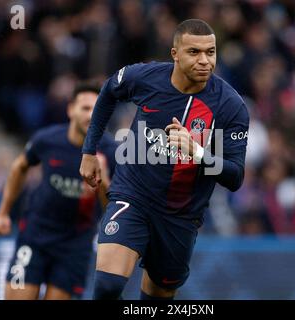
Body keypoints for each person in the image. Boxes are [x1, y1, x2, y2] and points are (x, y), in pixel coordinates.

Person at [80, 19, 249, 300]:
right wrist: (88, 151)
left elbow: (235, 176)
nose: (204, 60)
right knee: (107, 287)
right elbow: (108, 91)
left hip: (180, 217)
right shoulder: (145, 78)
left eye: (211, 52)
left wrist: (198, 154)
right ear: (175, 54)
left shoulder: (231, 106)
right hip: (133, 196)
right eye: (194, 52)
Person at [0, 82, 117, 300]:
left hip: (75, 245)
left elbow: (111, 211)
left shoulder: (111, 152)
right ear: (70, 110)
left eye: (97, 109)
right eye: (85, 108)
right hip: (35, 236)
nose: (91, 115)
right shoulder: (47, 140)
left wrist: (103, 182)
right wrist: (3, 213)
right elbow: (19, 167)